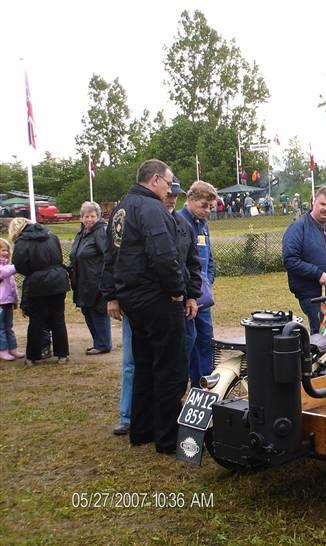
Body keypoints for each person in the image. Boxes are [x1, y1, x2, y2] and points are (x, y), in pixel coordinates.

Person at [100, 159, 191, 454]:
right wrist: (178, 290)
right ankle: (167, 438)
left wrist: (112, 293)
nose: (168, 189)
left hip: (133, 300)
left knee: (144, 365)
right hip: (157, 299)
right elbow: (164, 255)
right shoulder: (151, 209)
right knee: (170, 368)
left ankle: (141, 430)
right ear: (154, 180)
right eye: (167, 182)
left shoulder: (121, 209)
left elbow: (111, 256)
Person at [283, 186, 326, 333]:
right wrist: (317, 273)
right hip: (314, 295)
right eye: (322, 204)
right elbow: (290, 260)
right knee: (322, 335)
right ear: (313, 202)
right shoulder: (298, 228)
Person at [9, 217, 70, 365]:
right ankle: (62, 354)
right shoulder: (51, 236)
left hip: (38, 283)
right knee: (58, 318)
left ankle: (32, 355)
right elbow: (59, 257)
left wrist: (32, 273)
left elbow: (19, 265)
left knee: (37, 320)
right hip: (58, 280)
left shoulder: (22, 242)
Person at [178, 180, 217, 388]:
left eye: (210, 206)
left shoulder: (203, 225)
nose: (207, 210)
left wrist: (206, 284)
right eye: (203, 205)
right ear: (190, 200)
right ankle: (191, 385)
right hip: (185, 297)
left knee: (206, 340)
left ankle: (206, 384)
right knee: (188, 342)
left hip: (202, 296)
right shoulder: (177, 221)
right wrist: (187, 292)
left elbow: (208, 260)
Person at [69, 201, 111, 355]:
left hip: (96, 281)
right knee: (87, 311)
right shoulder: (81, 235)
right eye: (86, 216)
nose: (89, 219)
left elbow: (108, 256)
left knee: (98, 312)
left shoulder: (100, 233)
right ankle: (98, 342)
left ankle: (103, 344)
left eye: (93, 216)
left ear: (98, 217)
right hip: (82, 281)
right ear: (81, 218)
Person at [0, 238, 23, 361]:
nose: (5, 253)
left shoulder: (7, 266)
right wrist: (19, 265)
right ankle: (2, 350)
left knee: (9, 326)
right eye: (3, 250)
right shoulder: (6, 268)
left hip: (8, 301)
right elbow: (3, 272)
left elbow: (13, 287)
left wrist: (15, 299)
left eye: (7, 250)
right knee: (1, 328)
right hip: (0, 302)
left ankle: (12, 348)